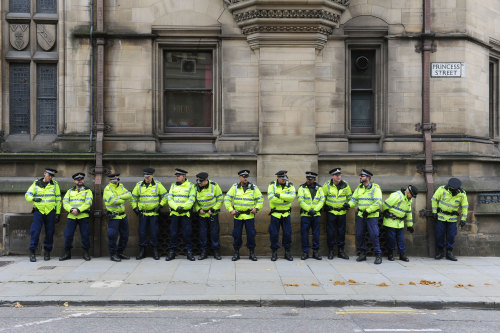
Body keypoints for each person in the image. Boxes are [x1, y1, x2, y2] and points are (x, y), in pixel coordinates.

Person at [224, 169, 264, 261]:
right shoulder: (234, 187)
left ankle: (252, 253)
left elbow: (260, 199)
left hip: (249, 216)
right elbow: (227, 199)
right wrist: (231, 210)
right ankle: (236, 253)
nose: (245, 178)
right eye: (243, 176)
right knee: (237, 235)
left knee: (251, 235)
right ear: (240, 177)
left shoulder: (253, 187)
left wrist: (256, 208)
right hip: (238, 216)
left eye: (247, 176)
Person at [346, 169, 383, 264]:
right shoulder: (359, 188)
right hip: (361, 215)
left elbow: (377, 202)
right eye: (360, 176)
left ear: (368, 177)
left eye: (362, 176)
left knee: (374, 235)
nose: (360, 177)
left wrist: (368, 210)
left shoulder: (375, 188)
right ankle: (362, 254)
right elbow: (354, 200)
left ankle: (378, 255)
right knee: (359, 235)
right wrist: (348, 205)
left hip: (372, 216)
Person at [25, 168, 62, 262]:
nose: (50, 177)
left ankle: (47, 252)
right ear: (44, 173)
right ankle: (32, 252)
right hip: (39, 211)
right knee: (35, 232)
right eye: (49, 175)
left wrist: (58, 213)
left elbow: (58, 200)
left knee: (50, 232)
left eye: (52, 176)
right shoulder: (36, 183)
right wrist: (33, 199)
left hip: (50, 212)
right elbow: (27, 195)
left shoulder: (55, 185)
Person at [131, 167, 168, 260]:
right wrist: (135, 208)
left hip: (153, 214)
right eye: (145, 176)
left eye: (148, 176)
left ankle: (155, 251)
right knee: (142, 232)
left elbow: (165, 196)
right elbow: (133, 198)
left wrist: (160, 205)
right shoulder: (139, 185)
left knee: (154, 233)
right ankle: (142, 251)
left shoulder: (157, 185)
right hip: (143, 214)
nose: (146, 178)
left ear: (152, 175)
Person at [432, 177, 469, 261]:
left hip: (452, 219)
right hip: (441, 217)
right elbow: (434, 200)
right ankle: (440, 252)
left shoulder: (462, 194)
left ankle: (449, 252)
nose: (453, 191)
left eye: (454, 190)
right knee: (439, 235)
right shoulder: (441, 189)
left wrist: (463, 219)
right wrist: (434, 212)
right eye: (451, 189)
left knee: (451, 236)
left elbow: (465, 207)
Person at [59, 172, 94, 261]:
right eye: (78, 180)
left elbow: (88, 203)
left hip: (83, 216)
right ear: (74, 181)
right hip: (71, 216)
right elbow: (65, 203)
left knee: (85, 235)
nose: (80, 181)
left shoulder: (88, 191)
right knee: (68, 235)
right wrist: (71, 209)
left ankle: (86, 253)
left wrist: (78, 210)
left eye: (81, 179)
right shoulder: (69, 191)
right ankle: (67, 253)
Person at [166, 168, 196, 261]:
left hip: (185, 214)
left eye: (178, 176)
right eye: (176, 176)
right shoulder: (173, 186)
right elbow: (170, 199)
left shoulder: (191, 186)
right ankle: (172, 252)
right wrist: (176, 207)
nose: (177, 177)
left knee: (187, 234)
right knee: (173, 234)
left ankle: (189, 252)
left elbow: (191, 200)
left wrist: (182, 208)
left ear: (184, 176)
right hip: (175, 214)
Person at [382, 185, 418, 262]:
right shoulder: (397, 195)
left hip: (400, 223)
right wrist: (385, 212)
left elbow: (408, 212)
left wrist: (410, 225)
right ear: (408, 192)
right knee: (391, 239)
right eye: (411, 195)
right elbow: (385, 205)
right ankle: (390, 254)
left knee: (401, 240)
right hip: (390, 221)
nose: (411, 197)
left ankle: (402, 255)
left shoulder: (408, 199)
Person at [322, 168, 352, 260]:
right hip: (331, 212)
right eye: (336, 175)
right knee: (330, 232)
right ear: (332, 176)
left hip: (342, 212)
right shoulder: (327, 185)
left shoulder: (345, 185)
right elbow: (322, 198)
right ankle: (331, 251)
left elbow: (350, 198)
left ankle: (341, 251)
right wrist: (325, 206)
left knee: (341, 232)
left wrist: (348, 205)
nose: (339, 177)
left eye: (339, 175)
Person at [268, 170, 296, 261]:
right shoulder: (272, 185)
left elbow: (292, 197)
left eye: (285, 178)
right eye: (282, 178)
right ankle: (274, 252)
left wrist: (279, 195)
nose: (284, 180)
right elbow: (271, 199)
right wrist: (285, 199)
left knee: (287, 234)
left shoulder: (290, 185)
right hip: (275, 214)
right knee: (274, 234)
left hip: (286, 214)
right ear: (278, 178)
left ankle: (287, 252)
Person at [194, 172, 223, 260]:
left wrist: (214, 209)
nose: (199, 183)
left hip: (212, 214)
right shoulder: (195, 187)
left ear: (206, 180)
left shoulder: (214, 186)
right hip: (202, 215)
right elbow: (194, 201)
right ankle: (204, 252)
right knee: (203, 234)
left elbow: (220, 199)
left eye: (201, 181)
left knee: (214, 233)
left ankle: (216, 252)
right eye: (198, 181)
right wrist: (198, 209)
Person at [103, 173, 132, 262]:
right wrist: (123, 198)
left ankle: (120, 252)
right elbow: (113, 201)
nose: (116, 182)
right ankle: (113, 254)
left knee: (125, 235)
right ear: (110, 180)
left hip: (122, 216)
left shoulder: (121, 186)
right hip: (113, 217)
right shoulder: (108, 189)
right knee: (112, 236)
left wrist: (119, 196)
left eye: (117, 180)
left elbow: (129, 195)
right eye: (113, 180)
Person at [297, 171, 325, 260]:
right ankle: (305, 252)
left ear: (314, 179)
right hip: (306, 215)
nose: (309, 180)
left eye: (311, 179)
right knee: (304, 234)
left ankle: (315, 252)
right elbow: (301, 200)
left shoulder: (320, 188)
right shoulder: (302, 187)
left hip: (316, 215)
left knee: (316, 234)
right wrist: (309, 210)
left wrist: (315, 210)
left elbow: (322, 200)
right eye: (308, 179)